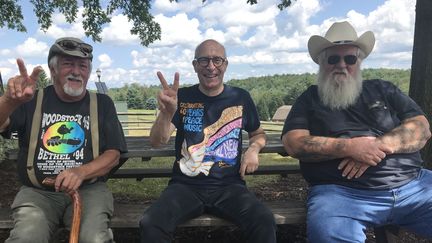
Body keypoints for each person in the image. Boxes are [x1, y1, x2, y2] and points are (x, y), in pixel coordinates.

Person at [281, 21, 432, 242]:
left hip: (414, 187)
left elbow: (422, 128)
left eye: (349, 58)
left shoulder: (383, 88)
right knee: (328, 234)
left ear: (359, 61)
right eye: (333, 58)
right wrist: (350, 147)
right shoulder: (310, 98)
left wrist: (375, 147)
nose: (341, 65)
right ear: (322, 63)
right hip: (340, 196)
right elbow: (293, 142)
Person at [139, 39, 277, 243]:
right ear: (195, 66)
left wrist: (253, 149)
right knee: (151, 223)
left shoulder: (240, 97)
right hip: (185, 186)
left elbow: (258, 133)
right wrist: (166, 113)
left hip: (230, 186)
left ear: (225, 64)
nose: (211, 67)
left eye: (217, 60)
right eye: (203, 60)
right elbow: (157, 141)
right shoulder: (182, 97)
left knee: (264, 220)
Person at [0, 37, 127, 242]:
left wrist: (81, 172)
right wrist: (8, 101)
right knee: (26, 238)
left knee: (94, 239)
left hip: (89, 191)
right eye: (68, 64)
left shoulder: (102, 103)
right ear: (53, 71)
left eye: (83, 66)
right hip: (38, 193)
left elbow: (113, 154)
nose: (76, 71)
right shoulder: (30, 100)